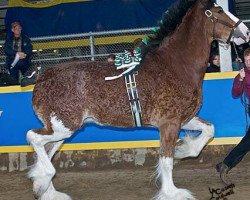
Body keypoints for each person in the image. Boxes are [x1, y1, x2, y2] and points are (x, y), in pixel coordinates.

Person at [216, 48, 250, 185]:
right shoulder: (242, 75)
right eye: (247, 60)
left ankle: (224, 165)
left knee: (247, 143)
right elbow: (235, 94)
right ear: (244, 60)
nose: (249, 62)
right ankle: (225, 165)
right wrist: (240, 79)